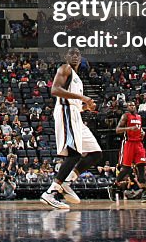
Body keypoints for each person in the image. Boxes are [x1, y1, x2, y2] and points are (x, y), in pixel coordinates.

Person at [41, 48, 103, 210]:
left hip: (75, 113)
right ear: (65, 57)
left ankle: (67, 182)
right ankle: (51, 192)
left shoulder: (77, 79)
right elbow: (54, 90)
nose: (75, 56)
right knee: (74, 153)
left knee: (96, 153)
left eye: (77, 54)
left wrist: (84, 108)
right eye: (71, 54)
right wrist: (83, 98)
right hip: (65, 112)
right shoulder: (65, 68)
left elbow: (74, 104)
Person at [115, 101, 146, 202]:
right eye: (130, 105)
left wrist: (142, 132)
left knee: (142, 167)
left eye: (133, 105)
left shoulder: (139, 117)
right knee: (126, 169)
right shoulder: (125, 116)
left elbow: (139, 128)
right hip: (128, 143)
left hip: (138, 144)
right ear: (127, 107)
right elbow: (117, 130)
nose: (132, 106)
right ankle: (114, 185)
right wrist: (130, 128)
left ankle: (144, 192)